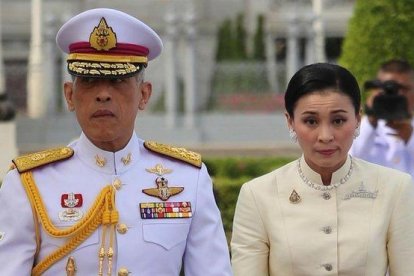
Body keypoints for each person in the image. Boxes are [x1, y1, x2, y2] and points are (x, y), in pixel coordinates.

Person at [0, 8, 232, 276]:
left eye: (117, 80)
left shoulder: (189, 179)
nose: (103, 95)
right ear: (70, 95)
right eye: (89, 80)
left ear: (144, 95)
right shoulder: (29, 184)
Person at [231, 63, 414, 275]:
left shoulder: (395, 188)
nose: (325, 136)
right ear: (290, 122)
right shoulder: (257, 195)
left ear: (357, 119)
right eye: (310, 121)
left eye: (338, 120)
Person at [350, 59, 414, 178]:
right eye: (389, 90)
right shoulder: (362, 129)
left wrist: (410, 137)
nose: (397, 95)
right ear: (376, 91)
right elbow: (350, 161)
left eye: (404, 89)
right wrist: (370, 119)